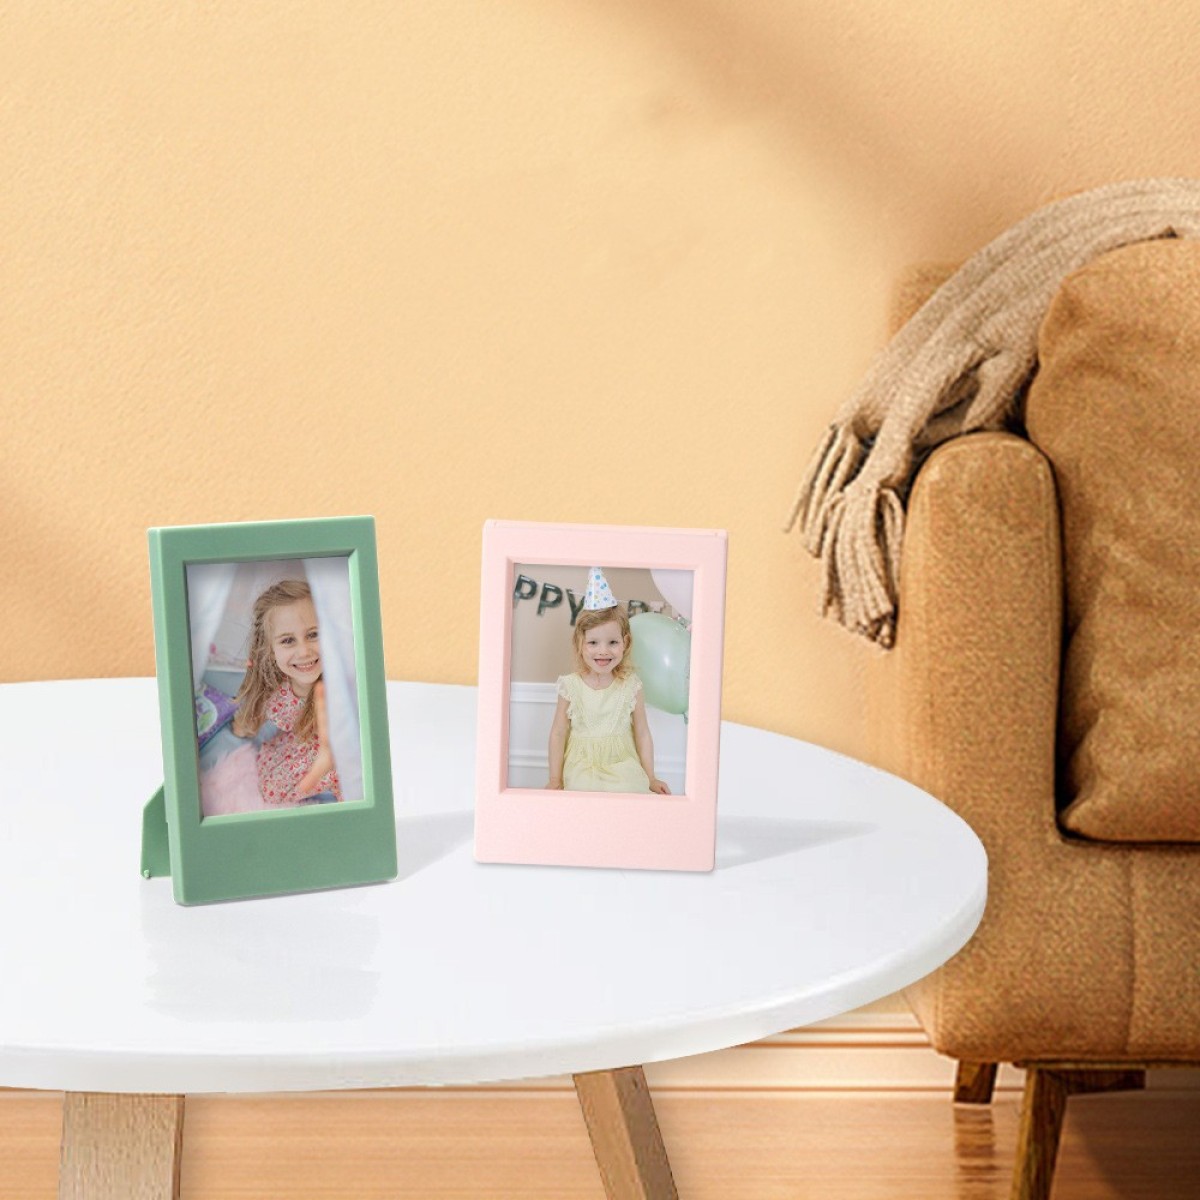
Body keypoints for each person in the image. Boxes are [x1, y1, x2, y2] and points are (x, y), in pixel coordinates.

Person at [546, 568, 670, 795]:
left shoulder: (631, 686)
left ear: (625, 643)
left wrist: (651, 777)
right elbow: (558, 733)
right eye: (593, 643)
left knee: (631, 789)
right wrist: (555, 779)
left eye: (612, 642)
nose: (603, 651)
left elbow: (642, 733)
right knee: (584, 791)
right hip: (583, 766)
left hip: (622, 764)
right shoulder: (570, 687)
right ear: (580, 644)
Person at [232, 579, 342, 805]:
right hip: (301, 746)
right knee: (269, 788)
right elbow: (255, 713)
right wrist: (245, 724)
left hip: (339, 753)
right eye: (288, 640)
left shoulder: (341, 687)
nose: (304, 651)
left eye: (313, 634)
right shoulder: (277, 689)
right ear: (270, 651)